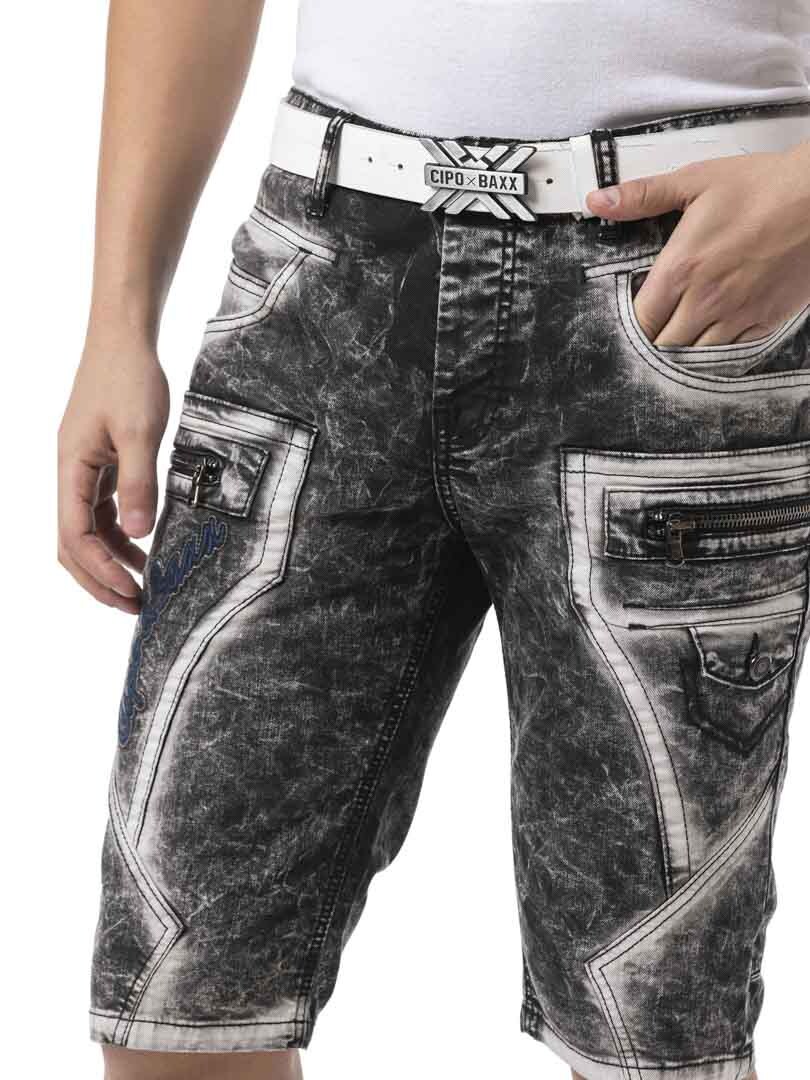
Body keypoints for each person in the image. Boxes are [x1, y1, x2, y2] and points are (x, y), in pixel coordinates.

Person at [57, 2, 810, 1078]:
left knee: (646, 1036)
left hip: (680, 285)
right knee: (174, 1000)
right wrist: (116, 325)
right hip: (323, 280)